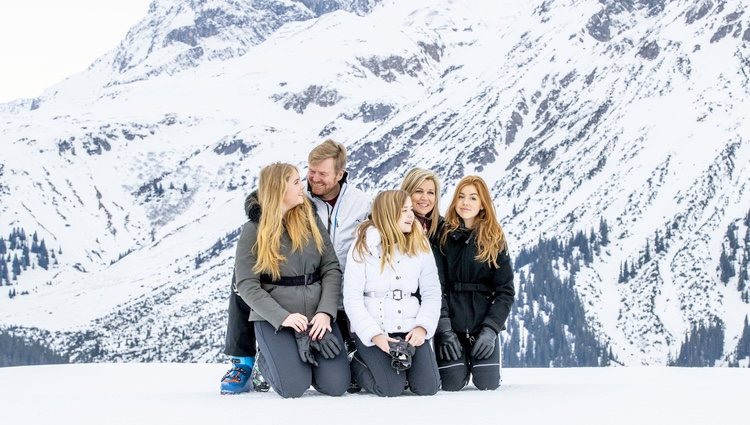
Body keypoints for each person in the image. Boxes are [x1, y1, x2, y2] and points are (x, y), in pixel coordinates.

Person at [220, 139, 370, 394]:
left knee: (336, 386)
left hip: (321, 304)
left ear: (339, 175)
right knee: (292, 387)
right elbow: (247, 283)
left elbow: (331, 266)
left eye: (321, 174)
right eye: (305, 175)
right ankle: (258, 358)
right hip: (280, 309)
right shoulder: (255, 229)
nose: (309, 182)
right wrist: (283, 318)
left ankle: (306, 358)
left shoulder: (338, 209)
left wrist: (325, 312)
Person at [343, 190, 441, 397]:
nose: (410, 215)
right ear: (388, 213)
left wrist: (422, 327)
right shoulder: (362, 246)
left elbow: (432, 292)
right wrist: (375, 336)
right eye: (403, 210)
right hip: (376, 328)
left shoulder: (420, 243)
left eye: (410, 210)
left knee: (428, 387)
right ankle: (355, 362)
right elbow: (352, 299)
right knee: (390, 388)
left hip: (410, 327)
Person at [434, 175, 515, 391]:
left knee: (486, 384)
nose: (465, 203)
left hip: (482, 326)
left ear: (482, 204)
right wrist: (444, 331)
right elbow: (436, 288)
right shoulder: (443, 235)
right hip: (452, 327)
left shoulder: (494, 239)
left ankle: (486, 364)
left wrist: (491, 330)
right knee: (451, 384)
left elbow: (505, 291)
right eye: (461, 196)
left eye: (472, 198)